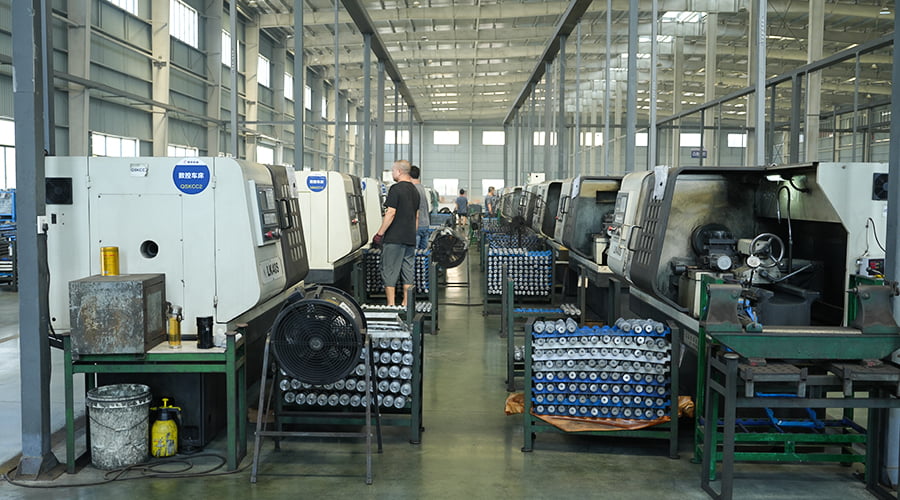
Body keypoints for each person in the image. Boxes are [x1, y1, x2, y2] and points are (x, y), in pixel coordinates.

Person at [374, 160, 420, 307]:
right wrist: (412, 233)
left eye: (393, 170)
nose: (392, 173)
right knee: (408, 271)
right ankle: (406, 304)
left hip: (394, 238)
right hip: (409, 238)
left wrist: (379, 234)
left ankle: (391, 305)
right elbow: (416, 216)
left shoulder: (395, 189)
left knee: (389, 271)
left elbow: (391, 213)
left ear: (399, 172)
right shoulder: (415, 191)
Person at [410, 165, 431, 249]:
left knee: (413, 252)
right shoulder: (422, 187)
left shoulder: (412, 189)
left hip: (417, 226)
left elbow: (414, 210)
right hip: (426, 224)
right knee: (423, 253)